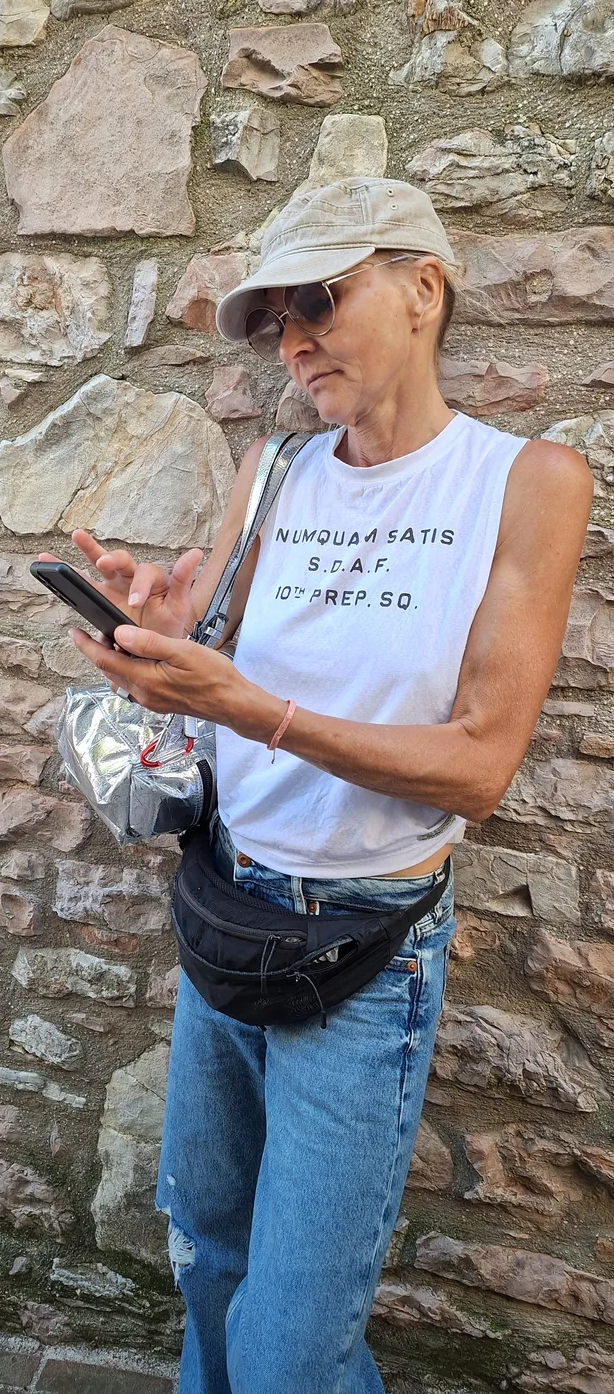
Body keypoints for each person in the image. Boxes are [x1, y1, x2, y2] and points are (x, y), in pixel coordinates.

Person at [53, 179, 593, 1394]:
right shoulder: (277, 469)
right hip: (229, 909)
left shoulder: (525, 482)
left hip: (364, 950)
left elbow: (480, 765)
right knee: (208, 1261)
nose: (291, 340)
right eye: (271, 319)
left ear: (422, 289)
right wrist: (164, 635)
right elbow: (212, 664)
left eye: (317, 299)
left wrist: (254, 711)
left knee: (294, 1347)